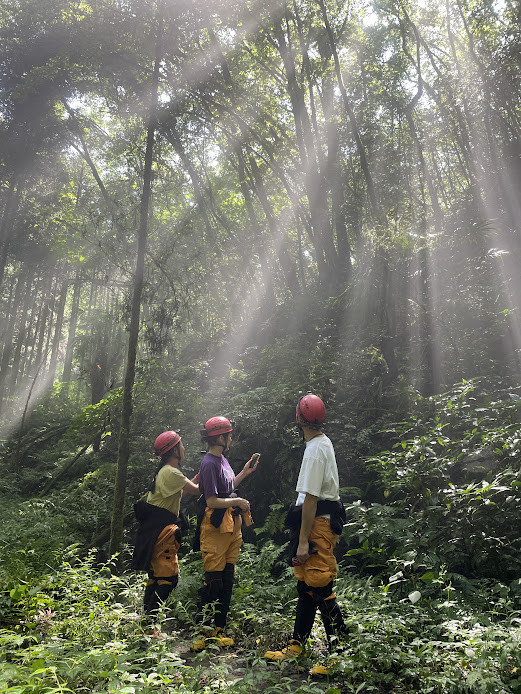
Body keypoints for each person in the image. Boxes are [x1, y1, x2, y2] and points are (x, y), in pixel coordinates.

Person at [264, 394, 347, 675]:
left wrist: (302, 541)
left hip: (317, 526)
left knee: (320, 584)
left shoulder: (314, 450)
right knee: (307, 585)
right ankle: (297, 644)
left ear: (299, 418)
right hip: (317, 521)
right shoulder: (321, 443)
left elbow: (311, 498)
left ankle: (341, 652)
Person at [191, 416, 259, 651]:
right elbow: (211, 500)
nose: (230, 438)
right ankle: (202, 631)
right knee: (214, 581)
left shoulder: (222, 460)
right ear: (220, 437)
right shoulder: (209, 463)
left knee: (227, 579)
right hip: (215, 527)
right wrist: (239, 500)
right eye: (228, 435)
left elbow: (227, 489)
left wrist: (244, 473)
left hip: (232, 526)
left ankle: (219, 630)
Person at [130, 430, 200, 638]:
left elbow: (183, 491)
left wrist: (199, 475)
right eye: (182, 445)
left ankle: (147, 625)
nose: (184, 448)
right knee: (169, 579)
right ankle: (149, 626)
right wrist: (212, 469)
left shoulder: (165, 472)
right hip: (162, 533)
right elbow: (197, 490)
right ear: (175, 451)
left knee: (155, 577)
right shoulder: (171, 472)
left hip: (153, 530)